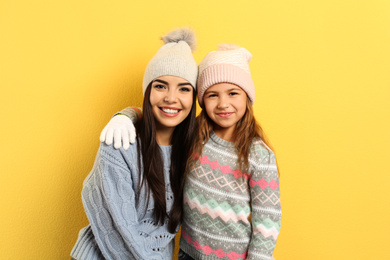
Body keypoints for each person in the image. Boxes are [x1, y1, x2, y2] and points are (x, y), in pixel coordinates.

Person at [101, 44, 281, 260]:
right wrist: (124, 116)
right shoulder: (194, 135)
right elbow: (155, 116)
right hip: (188, 253)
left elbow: (267, 219)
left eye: (233, 93)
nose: (223, 104)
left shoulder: (260, 155)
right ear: (202, 100)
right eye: (213, 95)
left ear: (247, 98)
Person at [70, 27, 198, 260]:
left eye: (184, 89)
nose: (171, 97)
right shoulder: (121, 142)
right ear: (147, 91)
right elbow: (120, 230)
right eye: (160, 86)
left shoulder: (193, 150)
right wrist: (124, 116)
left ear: (193, 97)